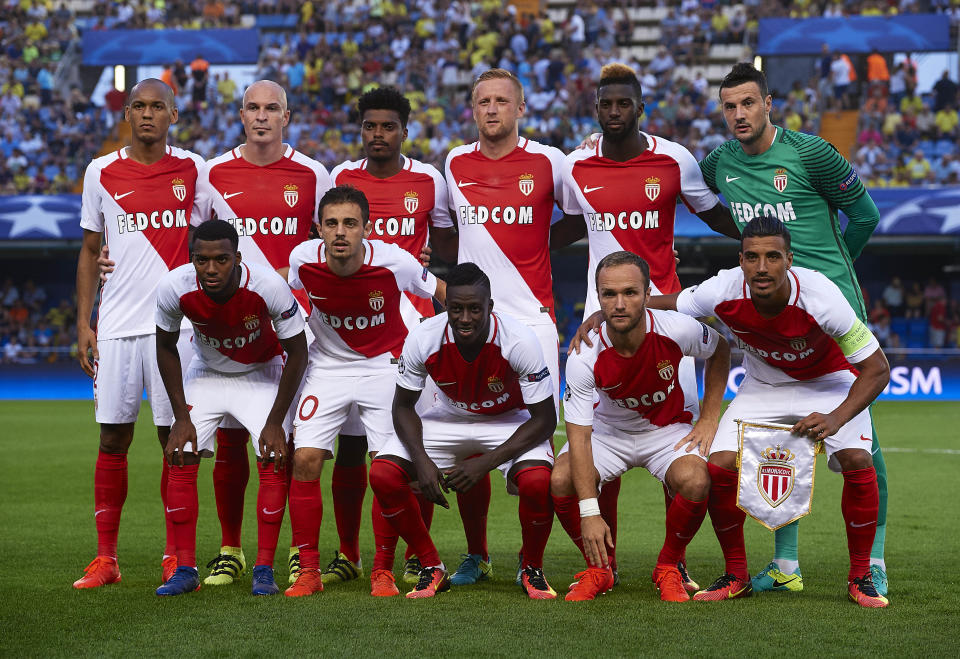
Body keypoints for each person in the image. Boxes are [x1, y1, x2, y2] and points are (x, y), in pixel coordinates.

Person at [697, 62, 890, 596]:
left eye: (748, 104)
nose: (739, 114)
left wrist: (828, 278)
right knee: (781, 442)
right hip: (772, 313)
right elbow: (718, 214)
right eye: (730, 106)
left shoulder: (811, 154)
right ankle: (786, 564)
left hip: (831, 313)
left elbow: (867, 214)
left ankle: (871, 561)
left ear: (768, 103)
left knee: (862, 449)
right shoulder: (718, 164)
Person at [558, 62, 739, 589]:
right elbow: (564, 228)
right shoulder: (575, 166)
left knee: (678, 440)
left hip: (670, 321)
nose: (614, 113)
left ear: (641, 108)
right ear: (596, 109)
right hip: (607, 313)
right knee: (602, 430)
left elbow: (715, 216)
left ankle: (672, 562)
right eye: (605, 104)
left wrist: (767, 228)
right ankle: (602, 564)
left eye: (624, 104)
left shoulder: (674, 159)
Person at [650, 216, 890, 608]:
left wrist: (835, 419)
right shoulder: (722, 288)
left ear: (789, 259)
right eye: (753, 257)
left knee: (857, 459)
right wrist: (612, 308)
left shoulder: (821, 296)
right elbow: (671, 303)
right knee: (719, 465)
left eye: (773, 257)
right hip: (765, 385)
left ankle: (861, 577)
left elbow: (877, 368)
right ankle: (736, 574)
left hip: (830, 383)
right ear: (740, 260)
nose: (762, 267)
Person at [191, 79, 333, 588]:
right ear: (241, 114)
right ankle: (230, 548)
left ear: (287, 116)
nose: (262, 116)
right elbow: (191, 245)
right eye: (253, 107)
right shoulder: (212, 174)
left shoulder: (313, 174)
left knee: (290, 444)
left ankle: (297, 551)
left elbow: (334, 240)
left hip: (291, 330)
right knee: (229, 442)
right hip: (227, 329)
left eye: (272, 108)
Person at [443, 68, 573, 586]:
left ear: (521, 108)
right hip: (472, 323)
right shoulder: (454, 162)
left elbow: (582, 217)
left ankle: (531, 560)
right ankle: (477, 554)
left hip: (533, 320)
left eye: (502, 101)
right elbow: (447, 234)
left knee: (533, 460)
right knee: (472, 442)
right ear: (472, 109)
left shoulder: (549, 161)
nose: (492, 109)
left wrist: (540, 243)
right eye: (482, 101)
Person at [283, 184, 446, 597]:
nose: (340, 232)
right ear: (318, 228)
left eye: (350, 224)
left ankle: (382, 571)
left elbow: (444, 292)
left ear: (366, 229)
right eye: (332, 223)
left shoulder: (395, 262)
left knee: (386, 469)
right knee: (303, 460)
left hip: (384, 366)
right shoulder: (301, 260)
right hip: (328, 367)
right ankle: (309, 572)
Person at [73, 79, 204, 590]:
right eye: (139, 107)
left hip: (176, 330)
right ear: (127, 113)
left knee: (175, 440)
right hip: (118, 327)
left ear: (173, 114)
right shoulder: (100, 171)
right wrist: (85, 322)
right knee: (112, 438)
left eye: (157, 107)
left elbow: (226, 232)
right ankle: (106, 559)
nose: (147, 114)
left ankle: (176, 557)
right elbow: (89, 249)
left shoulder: (194, 169)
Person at [323, 86, 455, 589]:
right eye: (369, 127)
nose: (378, 135)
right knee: (351, 448)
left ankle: (412, 555)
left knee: (409, 446)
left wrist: (426, 262)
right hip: (352, 331)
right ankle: (348, 553)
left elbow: (448, 241)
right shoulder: (340, 178)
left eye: (388, 126)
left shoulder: (428, 179)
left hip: (413, 330)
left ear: (404, 130)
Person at [369, 262, 557, 599]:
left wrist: (484, 463)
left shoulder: (519, 340)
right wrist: (422, 460)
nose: (465, 318)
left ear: (491, 308)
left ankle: (532, 567)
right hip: (450, 416)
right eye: (456, 309)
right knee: (383, 474)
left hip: (508, 419)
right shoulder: (425, 337)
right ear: (446, 307)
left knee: (539, 481)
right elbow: (402, 406)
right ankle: (431, 566)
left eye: (475, 309)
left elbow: (545, 419)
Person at [553, 251, 729, 602]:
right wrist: (589, 513)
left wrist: (710, 418)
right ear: (598, 298)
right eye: (609, 294)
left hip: (666, 432)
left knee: (696, 479)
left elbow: (721, 349)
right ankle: (601, 569)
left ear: (648, 295)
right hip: (608, 435)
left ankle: (667, 567)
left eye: (630, 293)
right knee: (559, 478)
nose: (619, 304)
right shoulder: (584, 354)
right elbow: (580, 436)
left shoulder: (676, 329)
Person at [153, 220, 307, 596]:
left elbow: (298, 352)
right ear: (192, 259)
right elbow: (165, 345)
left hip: (261, 371)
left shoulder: (268, 285)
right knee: (180, 453)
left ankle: (264, 569)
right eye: (201, 260)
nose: (210, 269)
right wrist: (182, 417)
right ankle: (185, 570)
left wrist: (275, 422)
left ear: (237, 257)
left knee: (273, 455)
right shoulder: (175, 286)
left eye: (221, 259)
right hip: (207, 371)